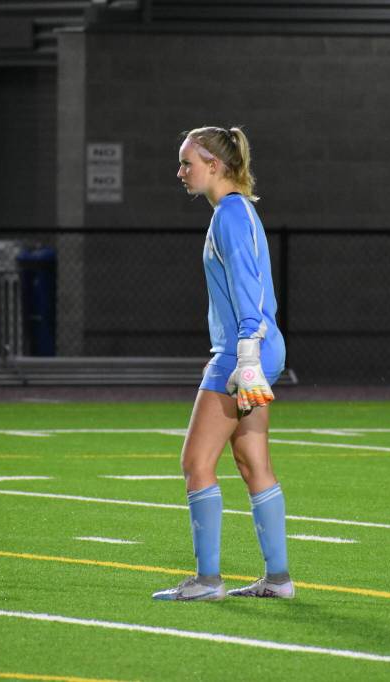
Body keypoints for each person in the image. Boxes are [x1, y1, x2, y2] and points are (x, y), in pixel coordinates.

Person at [152, 126, 293, 601]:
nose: (181, 172)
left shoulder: (230, 216)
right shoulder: (239, 212)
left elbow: (248, 286)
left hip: (241, 352)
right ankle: (278, 580)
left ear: (214, 164)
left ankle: (207, 580)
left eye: (187, 162)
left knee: (195, 462)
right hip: (258, 347)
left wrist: (247, 355)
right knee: (253, 462)